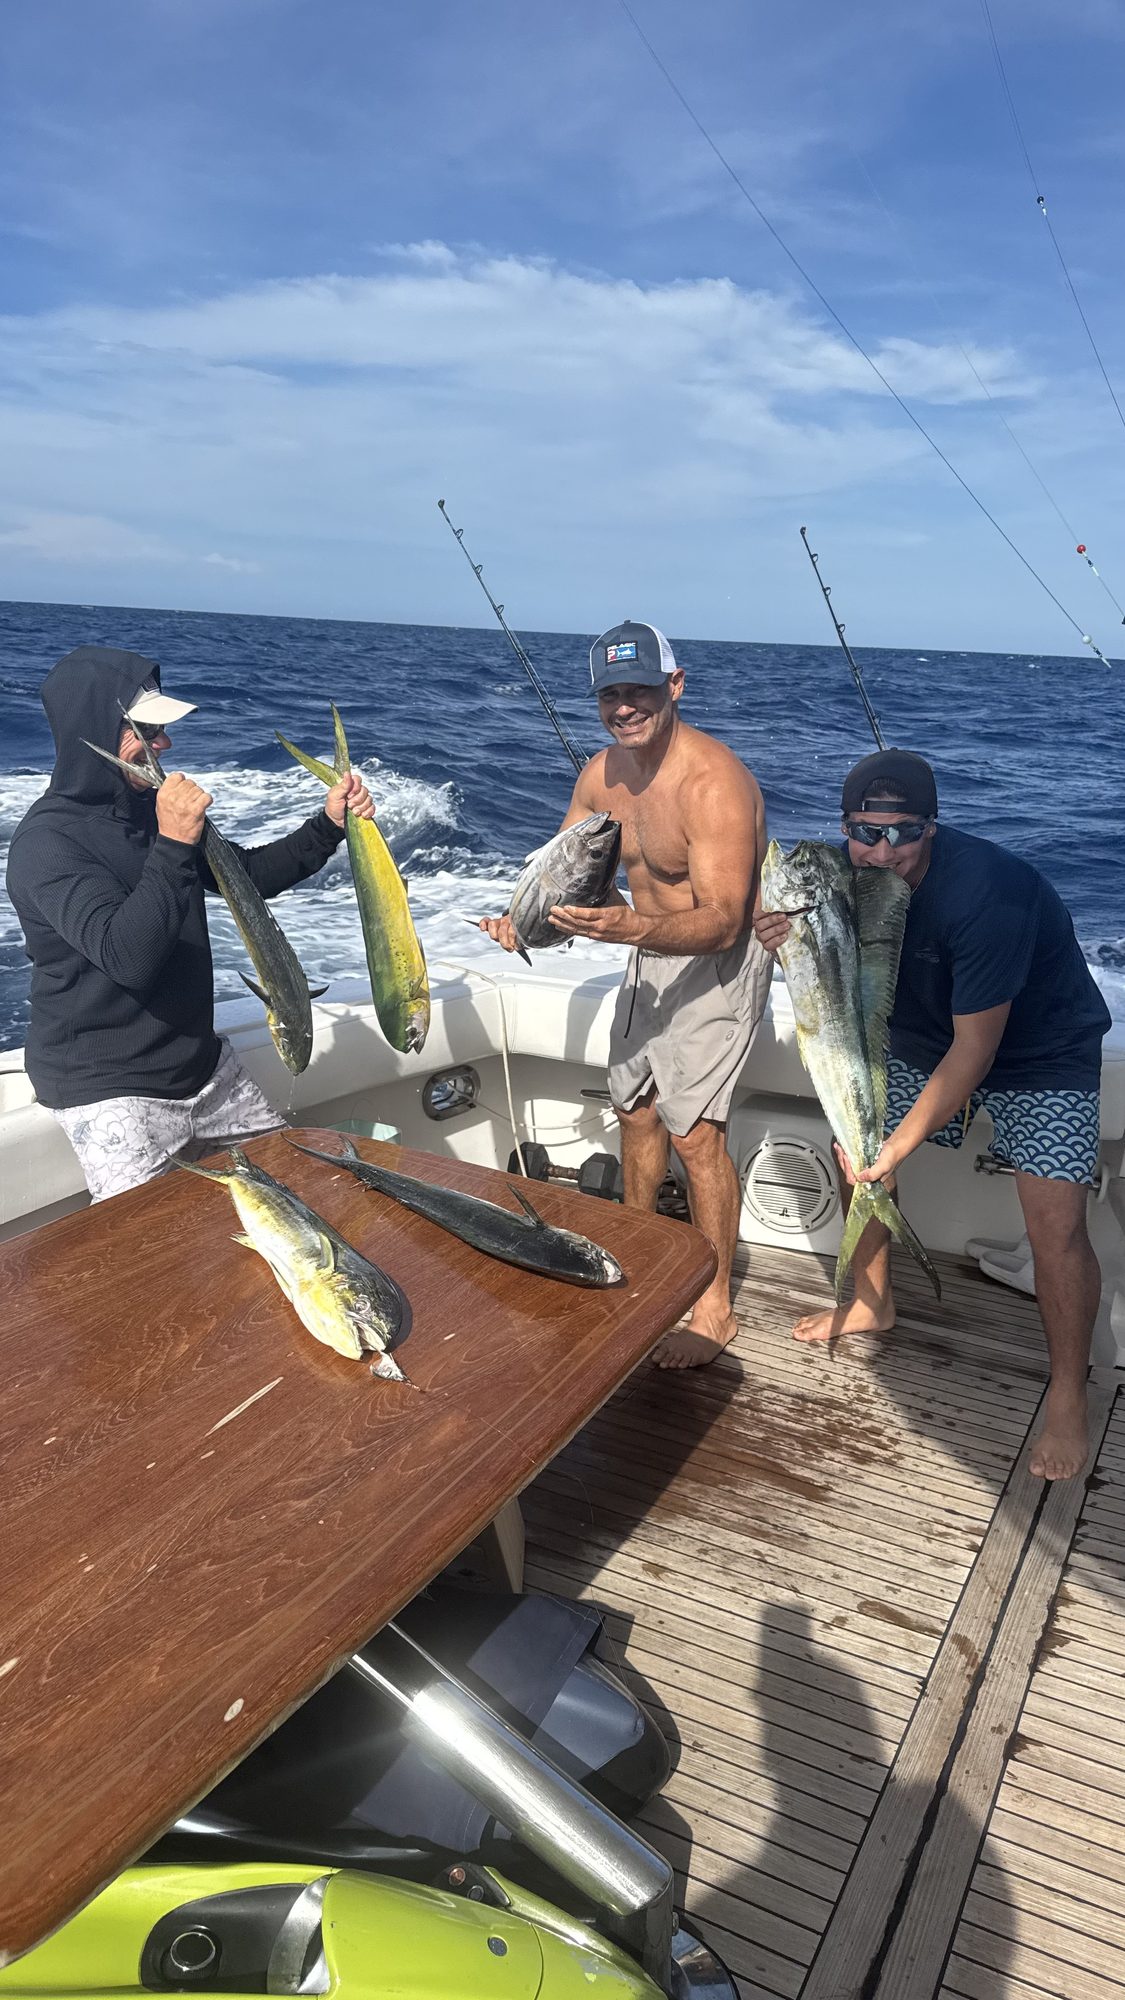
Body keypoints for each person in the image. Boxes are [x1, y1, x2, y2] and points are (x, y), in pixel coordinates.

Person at [753, 747, 1111, 1481]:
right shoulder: (835, 875)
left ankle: (1068, 1394)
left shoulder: (989, 893)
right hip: (921, 1033)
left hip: (1038, 1049)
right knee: (850, 1149)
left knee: (1055, 1223)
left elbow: (976, 1051)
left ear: (933, 827)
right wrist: (777, 942)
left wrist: (894, 1148)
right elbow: (831, 977)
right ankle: (872, 1303)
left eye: (902, 832)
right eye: (863, 830)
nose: (880, 851)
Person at [481, 620, 770, 1368]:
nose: (624, 706)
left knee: (693, 1136)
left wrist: (626, 927)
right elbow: (563, 884)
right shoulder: (598, 774)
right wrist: (524, 925)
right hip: (639, 948)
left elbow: (722, 921)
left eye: (639, 688)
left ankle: (712, 1307)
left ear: (673, 686)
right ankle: (638, 1253)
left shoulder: (714, 785)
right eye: (610, 693)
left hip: (712, 962)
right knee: (634, 1110)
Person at [6, 645, 375, 1202]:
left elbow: (249, 877)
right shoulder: (47, 845)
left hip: (203, 1070)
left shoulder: (150, 810)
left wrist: (329, 824)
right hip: (108, 1092)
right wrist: (175, 840)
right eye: (148, 733)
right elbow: (128, 957)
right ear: (95, 729)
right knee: (154, 1255)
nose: (164, 746)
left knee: (304, 1196)